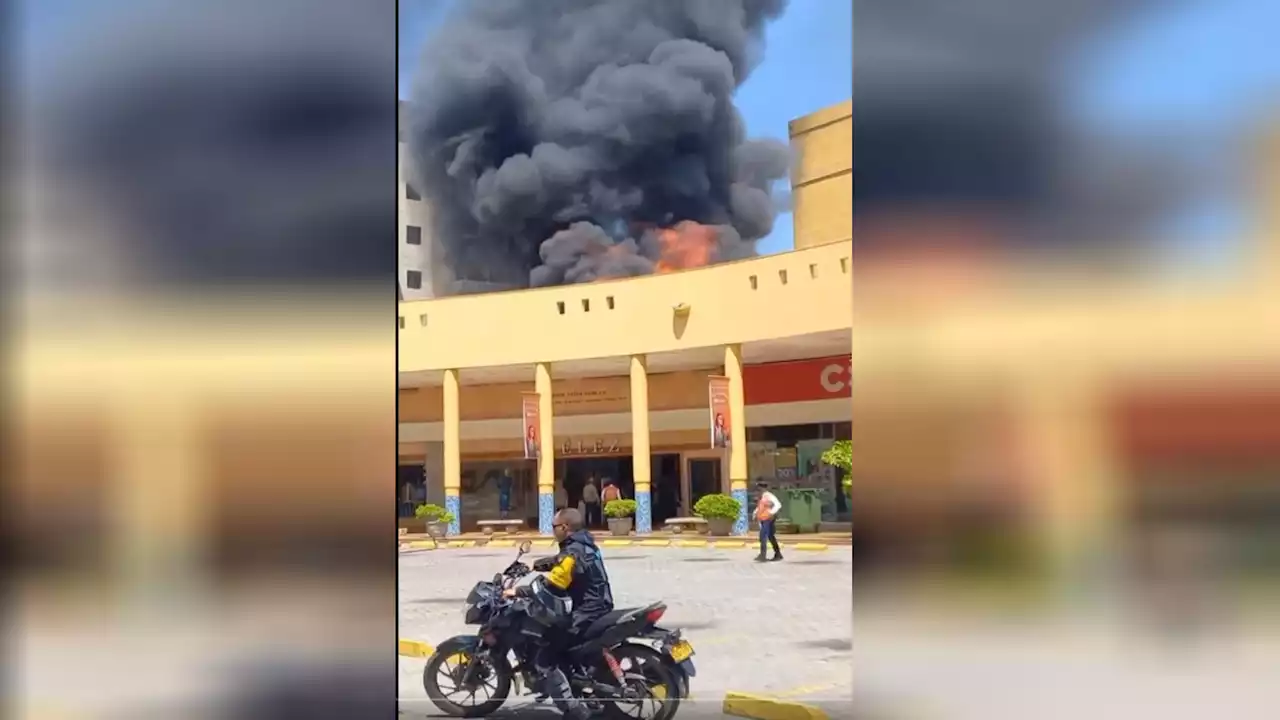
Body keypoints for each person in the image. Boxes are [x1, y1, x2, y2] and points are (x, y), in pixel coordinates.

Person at [503, 508, 613, 720]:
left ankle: (573, 711)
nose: (552, 531)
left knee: (546, 654)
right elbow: (561, 561)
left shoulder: (573, 552)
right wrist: (536, 565)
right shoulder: (584, 545)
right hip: (599, 605)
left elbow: (554, 584)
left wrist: (518, 591)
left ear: (565, 527)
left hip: (586, 611)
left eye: (554, 527)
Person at [754, 481, 783, 562]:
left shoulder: (769, 495)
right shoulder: (762, 496)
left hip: (768, 519)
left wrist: (771, 513)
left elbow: (778, 505)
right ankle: (778, 554)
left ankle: (763, 555)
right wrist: (755, 513)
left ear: (763, 488)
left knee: (763, 536)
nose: (758, 489)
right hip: (763, 519)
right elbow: (761, 506)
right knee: (770, 536)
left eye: (759, 488)